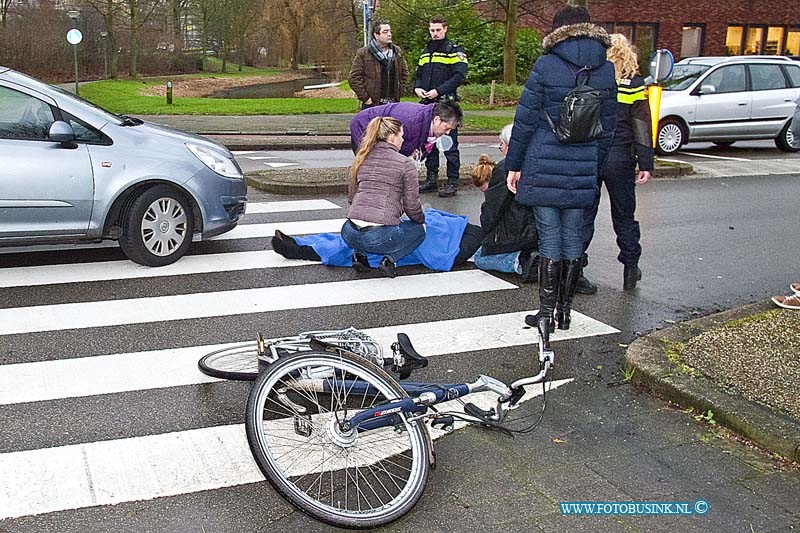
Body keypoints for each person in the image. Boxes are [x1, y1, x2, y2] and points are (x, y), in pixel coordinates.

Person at [272, 127, 538, 279]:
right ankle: (303, 245)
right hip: (450, 237)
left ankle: (304, 248)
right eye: (400, 135)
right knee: (414, 230)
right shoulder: (515, 172)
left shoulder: (507, 174)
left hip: (448, 241)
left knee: (364, 243)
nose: (404, 140)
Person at [505, 6, 617, 350]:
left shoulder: (546, 64)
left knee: (549, 238)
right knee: (573, 236)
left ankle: (544, 312)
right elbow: (609, 127)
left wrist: (514, 163)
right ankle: (565, 312)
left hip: (544, 159)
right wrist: (593, 164)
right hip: (583, 162)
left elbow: (524, 121)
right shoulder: (606, 69)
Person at [581, 33, 654, 291]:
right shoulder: (634, 82)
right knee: (624, 214)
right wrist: (646, 162)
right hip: (620, 154)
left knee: (584, 212)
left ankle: (577, 269)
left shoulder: (592, 75)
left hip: (591, 151)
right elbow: (642, 123)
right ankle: (630, 267)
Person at [340, 116, 425, 278]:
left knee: (365, 231)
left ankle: (359, 255)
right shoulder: (405, 164)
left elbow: (352, 197)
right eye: (401, 136)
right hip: (378, 237)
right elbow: (412, 206)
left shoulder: (361, 158)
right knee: (419, 231)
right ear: (392, 137)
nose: (403, 139)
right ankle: (390, 260)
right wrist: (421, 221)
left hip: (348, 232)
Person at [414, 14, 468, 197]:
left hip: (447, 103)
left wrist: (439, 90)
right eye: (432, 30)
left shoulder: (453, 51)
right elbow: (419, 74)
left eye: (438, 30)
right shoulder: (425, 51)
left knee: (449, 144)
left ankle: (453, 181)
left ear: (445, 29)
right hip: (428, 104)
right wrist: (418, 88)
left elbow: (459, 76)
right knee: (429, 143)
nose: (435, 33)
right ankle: (431, 178)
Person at [349, 100, 463, 157]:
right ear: (437, 119)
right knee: (373, 167)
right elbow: (395, 151)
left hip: (378, 128)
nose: (447, 133)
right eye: (447, 128)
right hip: (363, 126)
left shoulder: (426, 119)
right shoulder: (411, 122)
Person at [348, 19, 408, 110]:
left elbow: (404, 74)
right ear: (376, 35)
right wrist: (366, 99)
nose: (389, 34)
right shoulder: (364, 53)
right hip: (372, 104)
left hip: (393, 104)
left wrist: (400, 92)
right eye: (385, 32)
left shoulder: (397, 52)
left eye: (390, 31)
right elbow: (354, 78)